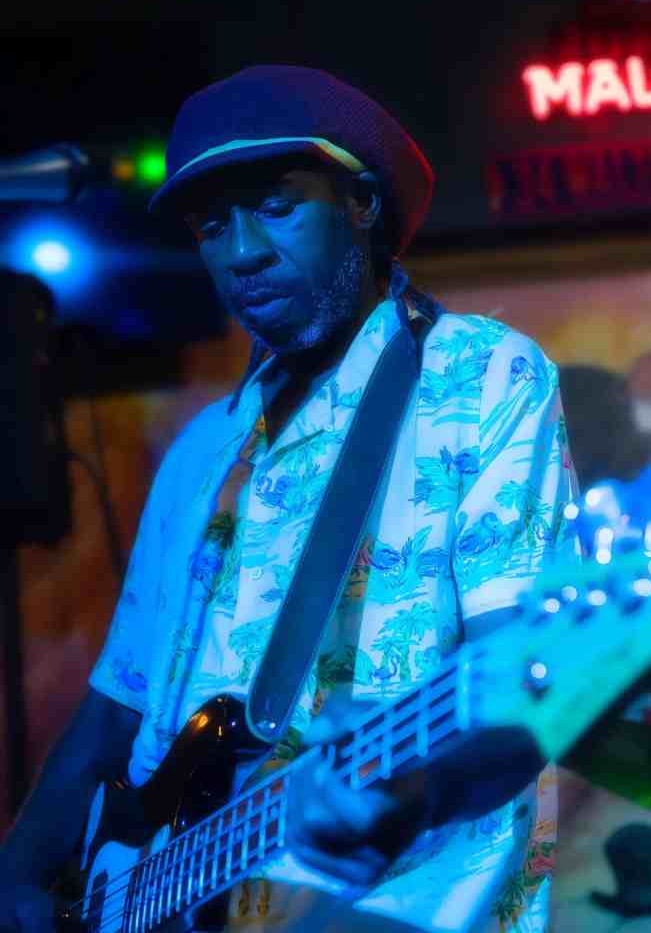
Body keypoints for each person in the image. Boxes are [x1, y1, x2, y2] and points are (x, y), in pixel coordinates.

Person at [0, 66, 579, 932]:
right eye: (211, 226)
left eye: (275, 207)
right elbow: (119, 705)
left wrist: (416, 796)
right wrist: (17, 871)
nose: (241, 252)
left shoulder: (481, 376)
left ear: (363, 203)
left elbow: (528, 682)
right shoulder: (204, 447)